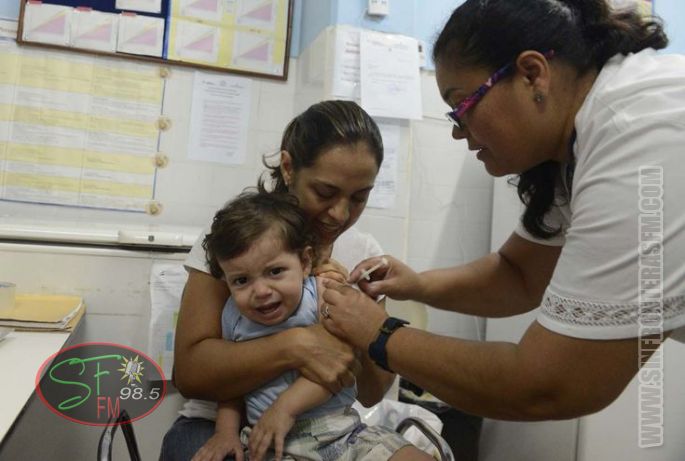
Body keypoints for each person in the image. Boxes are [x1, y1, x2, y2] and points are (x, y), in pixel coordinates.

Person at [319, 0, 685, 422]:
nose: (458, 133)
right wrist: (417, 285)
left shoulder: (637, 136)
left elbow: (547, 385)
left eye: (462, 107)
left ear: (532, 74)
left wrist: (378, 334)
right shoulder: (578, 142)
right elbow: (519, 274)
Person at [161, 100, 396, 460]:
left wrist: (358, 321)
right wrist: (297, 344)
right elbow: (191, 375)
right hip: (218, 424)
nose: (340, 214)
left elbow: (371, 393)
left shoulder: (362, 255)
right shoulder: (238, 238)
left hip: (326, 427)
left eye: (359, 197)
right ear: (288, 167)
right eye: (325, 193)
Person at [191, 191, 432, 461]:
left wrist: (285, 408)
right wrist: (225, 432)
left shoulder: (321, 296)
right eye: (241, 280)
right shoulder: (233, 316)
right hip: (272, 442)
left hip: (343, 432)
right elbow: (230, 384)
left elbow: (338, 364)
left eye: (275, 272)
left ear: (305, 262)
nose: (260, 291)